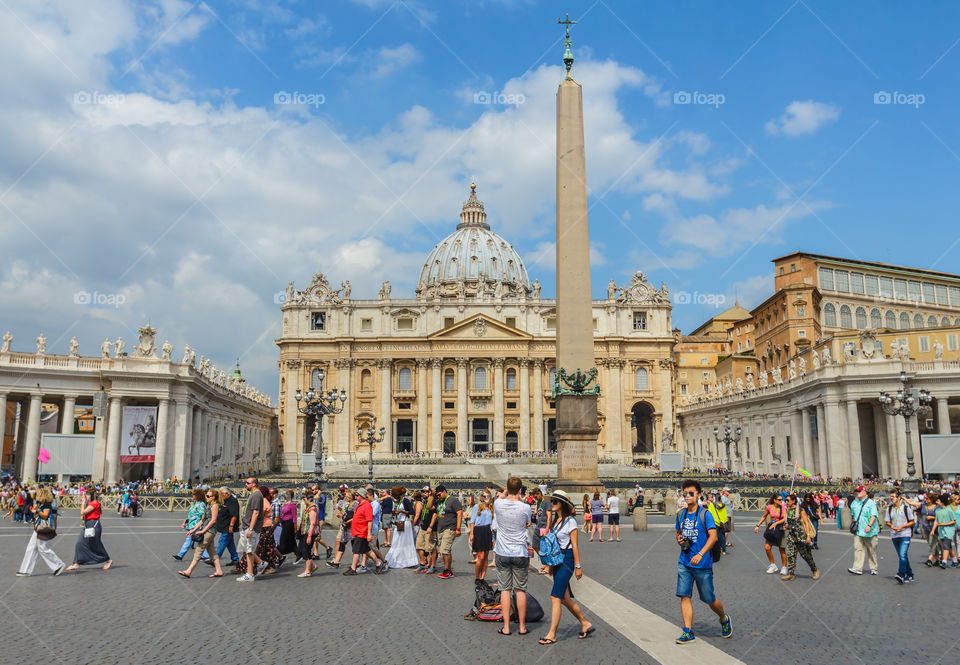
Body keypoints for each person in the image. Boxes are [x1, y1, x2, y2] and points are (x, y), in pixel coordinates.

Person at [674, 479, 731, 644]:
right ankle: (687, 631)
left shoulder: (705, 514)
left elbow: (713, 536)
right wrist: (679, 539)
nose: (687, 496)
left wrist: (700, 553)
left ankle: (723, 618)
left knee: (709, 599)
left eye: (691, 493)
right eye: (685, 493)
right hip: (684, 562)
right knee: (684, 596)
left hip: (702, 563)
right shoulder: (680, 514)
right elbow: (678, 533)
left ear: (698, 495)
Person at [538, 490, 593, 645]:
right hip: (557, 560)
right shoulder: (556, 522)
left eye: (555, 501)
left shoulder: (571, 521)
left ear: (562, 504)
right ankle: (585, 623)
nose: (552, 504)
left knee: (555, 596)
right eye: (552, 501)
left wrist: (578, 566)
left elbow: (575, 545)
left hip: (567, 560)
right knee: (565, 599)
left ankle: (552, 634)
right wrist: (548, 564)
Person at [494, 477, 533, 636]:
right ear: (520, 490)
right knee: (520, 590)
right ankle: (522, 627)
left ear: (506, 489)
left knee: (504, 589)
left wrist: (505, 492)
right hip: (520, 552)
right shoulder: (525, 508)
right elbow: (527, 524)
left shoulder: (498, 504)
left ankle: (507, 627)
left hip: (502, 552)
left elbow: (501, 497)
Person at [16, 487, 65, 577]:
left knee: (42, 548)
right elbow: (39, 514)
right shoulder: (43, 504)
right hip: (38, 528)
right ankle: (25, 570)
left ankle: (58, 565)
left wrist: (37, 510)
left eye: (38, 494)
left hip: (43, 529)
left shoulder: (47, 504)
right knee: (31, 548)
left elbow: (45, 516)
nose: (37, 495)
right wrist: (34, 511)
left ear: (42, 494)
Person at [178, 489, 224, 578]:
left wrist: (203, 531)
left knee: (199, 550)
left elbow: (213, 520)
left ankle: (188, 571)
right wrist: (193, 530)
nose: (206, 497)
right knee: (212, 552)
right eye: (206, 495)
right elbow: (202, 520)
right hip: (206, 530)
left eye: (208, 496)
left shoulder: (214, 506)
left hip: (210, 531)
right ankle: (219, 571)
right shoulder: (208, 505)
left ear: (213, 497)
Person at [65, 488, 112, 572]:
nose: (85, 496)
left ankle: (108, 560)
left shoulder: (94, 503)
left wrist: (83, 502)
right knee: (81, 543)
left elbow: (83, 512)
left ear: (91, 495)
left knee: (95, 544)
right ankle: (76, 563)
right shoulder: (90, 503)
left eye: (87, 495)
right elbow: (83, 515)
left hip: (93, 525)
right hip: (88, 524)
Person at [343, 487, 385, 575]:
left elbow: (369, 520)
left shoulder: (367, 506)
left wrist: (369, 534)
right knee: (367, 550)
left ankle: (353, 568)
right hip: (357, 531)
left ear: (362, 496)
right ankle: (378, 563)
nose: (355, 496)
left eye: (357, 495)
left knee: (356, 551)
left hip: (362, 532)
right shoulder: (360, 505)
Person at [780, 494, 818, 581]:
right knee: (790, 554)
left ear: (794, 501)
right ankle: (791, 574)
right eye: (786, 500)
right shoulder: (788, 510)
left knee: (805, 555)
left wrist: (808, 536)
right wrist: (787, 527)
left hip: (801, 536)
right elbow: (789, 523)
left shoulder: (801, 510)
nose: (787, 502)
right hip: (792, 536)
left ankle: (814, 570)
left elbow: (806, 523)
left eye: (788, 500)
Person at [848, 485, 880, 575]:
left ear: (864, 492)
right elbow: (853, 515)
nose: (857, 493)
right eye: (856, 491)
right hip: (858, 530)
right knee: (858, 549)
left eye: (859, 491)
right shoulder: (854, 503)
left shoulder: (871, 503)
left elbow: (874, 515)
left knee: (871, 550)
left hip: (870, 531)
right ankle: (858, 568)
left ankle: (874, 568)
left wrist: (869, 525)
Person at [236, 477, 264, 582]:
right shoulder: (254, 494)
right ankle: (260, 564)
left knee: (249, 550)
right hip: (247, 526)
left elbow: (255, 513)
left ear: (254, 484)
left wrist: (251, 528)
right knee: (248, 550)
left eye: (248, 483)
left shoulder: (256, 495)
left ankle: (250, 574)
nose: (245, 484)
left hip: (251, 527)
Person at [884, 491, 916, 583]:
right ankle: (910, 574)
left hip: (905, 534)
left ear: (898, 498)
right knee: (902, 555)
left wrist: (902, 527)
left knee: (902, 555)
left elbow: (912, 521)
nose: (891, 498)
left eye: (893, 496)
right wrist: (892, 526)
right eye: (890, 496)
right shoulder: (889, 509)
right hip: (894, 535)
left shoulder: (906, 508)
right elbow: (887, 521)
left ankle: (901, 574)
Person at [753, 494, 787, 575]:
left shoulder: (783, 507)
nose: (781, 501)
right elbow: (764, 516)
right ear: (774, 500)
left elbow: (784, 519)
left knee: (782, 550)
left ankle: (784, 567)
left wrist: (776, 523)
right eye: (779, 500)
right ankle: (772, 565)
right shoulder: (769, 507)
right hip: (771, 528)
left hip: (780, 528)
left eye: (782, 500)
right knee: (767, 547)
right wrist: (757, 525)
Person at [385, 486, 418, 569]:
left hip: (405, 523)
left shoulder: (405, 501)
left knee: (405, 542)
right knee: (397, 541)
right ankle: (397, 558)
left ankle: (407, 560)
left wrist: (402, 511)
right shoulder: (399, 501)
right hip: (399, 522)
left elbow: (412, 512)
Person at [434, 485, 462, 579]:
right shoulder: (438, 501)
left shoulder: (453, 500)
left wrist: (458, 528)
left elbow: (459, 513)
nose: (438, 497)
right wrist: (431, 496)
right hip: (440, 528)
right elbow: (429, 506)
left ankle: (447, 570)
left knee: (445, 550)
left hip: (450, 528)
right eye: (437, 495)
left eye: (439, 494)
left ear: (444, 491)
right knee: (444, 551)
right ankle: (448, 570)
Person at [174, 488, 207, 561]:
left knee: (189, 540)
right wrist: (186, 521)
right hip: (192, 524)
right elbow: (191, 514)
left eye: (194, 494)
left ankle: (180, 555)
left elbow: (203, 515)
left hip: (196, 525)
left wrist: (201, 525)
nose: (192, 495)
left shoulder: (201, 504)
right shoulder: (196, 503)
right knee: (200, 541)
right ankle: (205, 555)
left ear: (198, 495)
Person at [327, 490, 357, 569]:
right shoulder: (349, 504)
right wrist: (341, 512)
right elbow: (346, 515)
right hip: (346, 527)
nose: (346, 498)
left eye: (347, 497)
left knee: (354, 545)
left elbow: (356, 517)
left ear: (350, 497)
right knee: (342, 543)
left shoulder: (355, 505)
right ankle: (336, 562)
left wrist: (347, 522)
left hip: (352, 527)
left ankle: (359, 563)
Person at [470, 490, 494, 583]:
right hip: (478, 531)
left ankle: (482, 578)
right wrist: (472, 534)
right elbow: (472, 521)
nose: (486, 498)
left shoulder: (491, 508)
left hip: (487, 531)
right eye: (484, 496)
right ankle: (477, 577)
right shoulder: (477, 506)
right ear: (482, 498)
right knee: (481, 556)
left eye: (488, 496)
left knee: (486, 556)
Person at [296, 490, 319, 578]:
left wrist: (309, 536)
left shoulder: (312, 509)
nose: (303, 500)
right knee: (301, 550)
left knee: (306, 551)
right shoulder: (309, 507)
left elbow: (312, 523)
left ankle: (307, 571)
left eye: (304, 498)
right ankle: (313, 566)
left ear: (309, 499)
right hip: (305, 532)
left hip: (309, 533)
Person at [215, 487, 240, 568]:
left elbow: (234, 515)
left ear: (226, 494)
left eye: (221, 494)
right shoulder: (226, 500)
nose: (220, 496)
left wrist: (231, 525)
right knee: (230, 543)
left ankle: (215, 558)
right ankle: (235, 559)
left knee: (222, 541)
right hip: (225, 525)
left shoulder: (232, 501)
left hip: (228, 525)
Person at [414, 489, 438, 573]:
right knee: (419, 546)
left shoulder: (434, 502)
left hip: (430, 528)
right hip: (422, 527)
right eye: (423, 492)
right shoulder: (423, 502)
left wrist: (430, 526)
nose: (423, 494)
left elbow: (435, 515)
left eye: (425, 492)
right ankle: (422, 564)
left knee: (431, 548)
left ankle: (432, 566)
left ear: (429, 493)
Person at [932, 493, 957, 569]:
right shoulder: (937, 510)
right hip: (941, 531)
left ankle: (944, 562)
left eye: (938, 501)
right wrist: (933, 529)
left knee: (945, 546)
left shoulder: (949, 510)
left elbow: (954, 521)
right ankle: (955, 561)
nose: (936, 502)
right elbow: (936, 520)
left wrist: (944, 524)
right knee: (948, 547)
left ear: (942, 502)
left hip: (949, 531)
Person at [531, 487, 552, 574]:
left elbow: (549, 516)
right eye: (534, 497)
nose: (536, 498)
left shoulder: (546, 503)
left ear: (540, 494)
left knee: (545, 547)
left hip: (544, 527)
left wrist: (547, 529)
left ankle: (547, 566)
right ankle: (544, 562)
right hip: (538, 526)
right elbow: (537, 513)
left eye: (536, 496)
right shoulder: (538, 502)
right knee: (535, 545)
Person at [277, 490, 298, 556]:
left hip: (289, 524)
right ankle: (297, 554)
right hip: (284, 523)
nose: (285, 495)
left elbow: (294, 516)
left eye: (287, 494)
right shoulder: (285, 504)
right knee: (291, 540)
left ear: (290, 496)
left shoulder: (292, 505)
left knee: (283, 539)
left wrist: (295, 527)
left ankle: (280, 554)